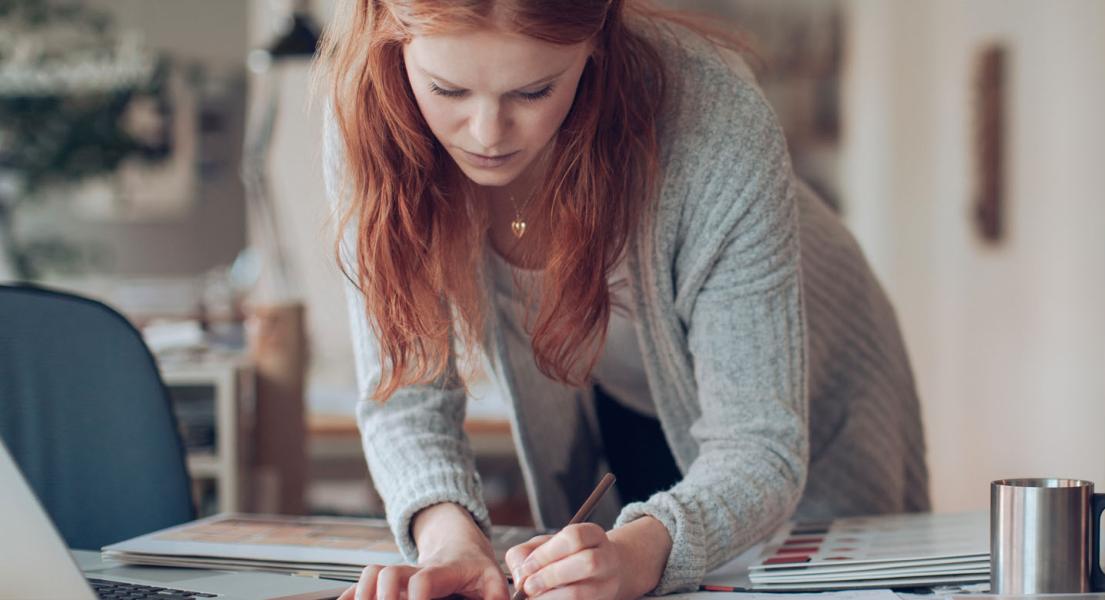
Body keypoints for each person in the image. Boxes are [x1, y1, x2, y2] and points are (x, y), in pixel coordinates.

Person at [319, 1, 928, 598]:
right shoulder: (370, 120)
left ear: (596, 43)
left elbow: (760, 444)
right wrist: (448, 541)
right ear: (390, 39)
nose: (487, 134)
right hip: (614, 394)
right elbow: (403, 392)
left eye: (533, 92)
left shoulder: (715, 118)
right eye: (447, 90)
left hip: (809, 391)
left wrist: (639, 554)